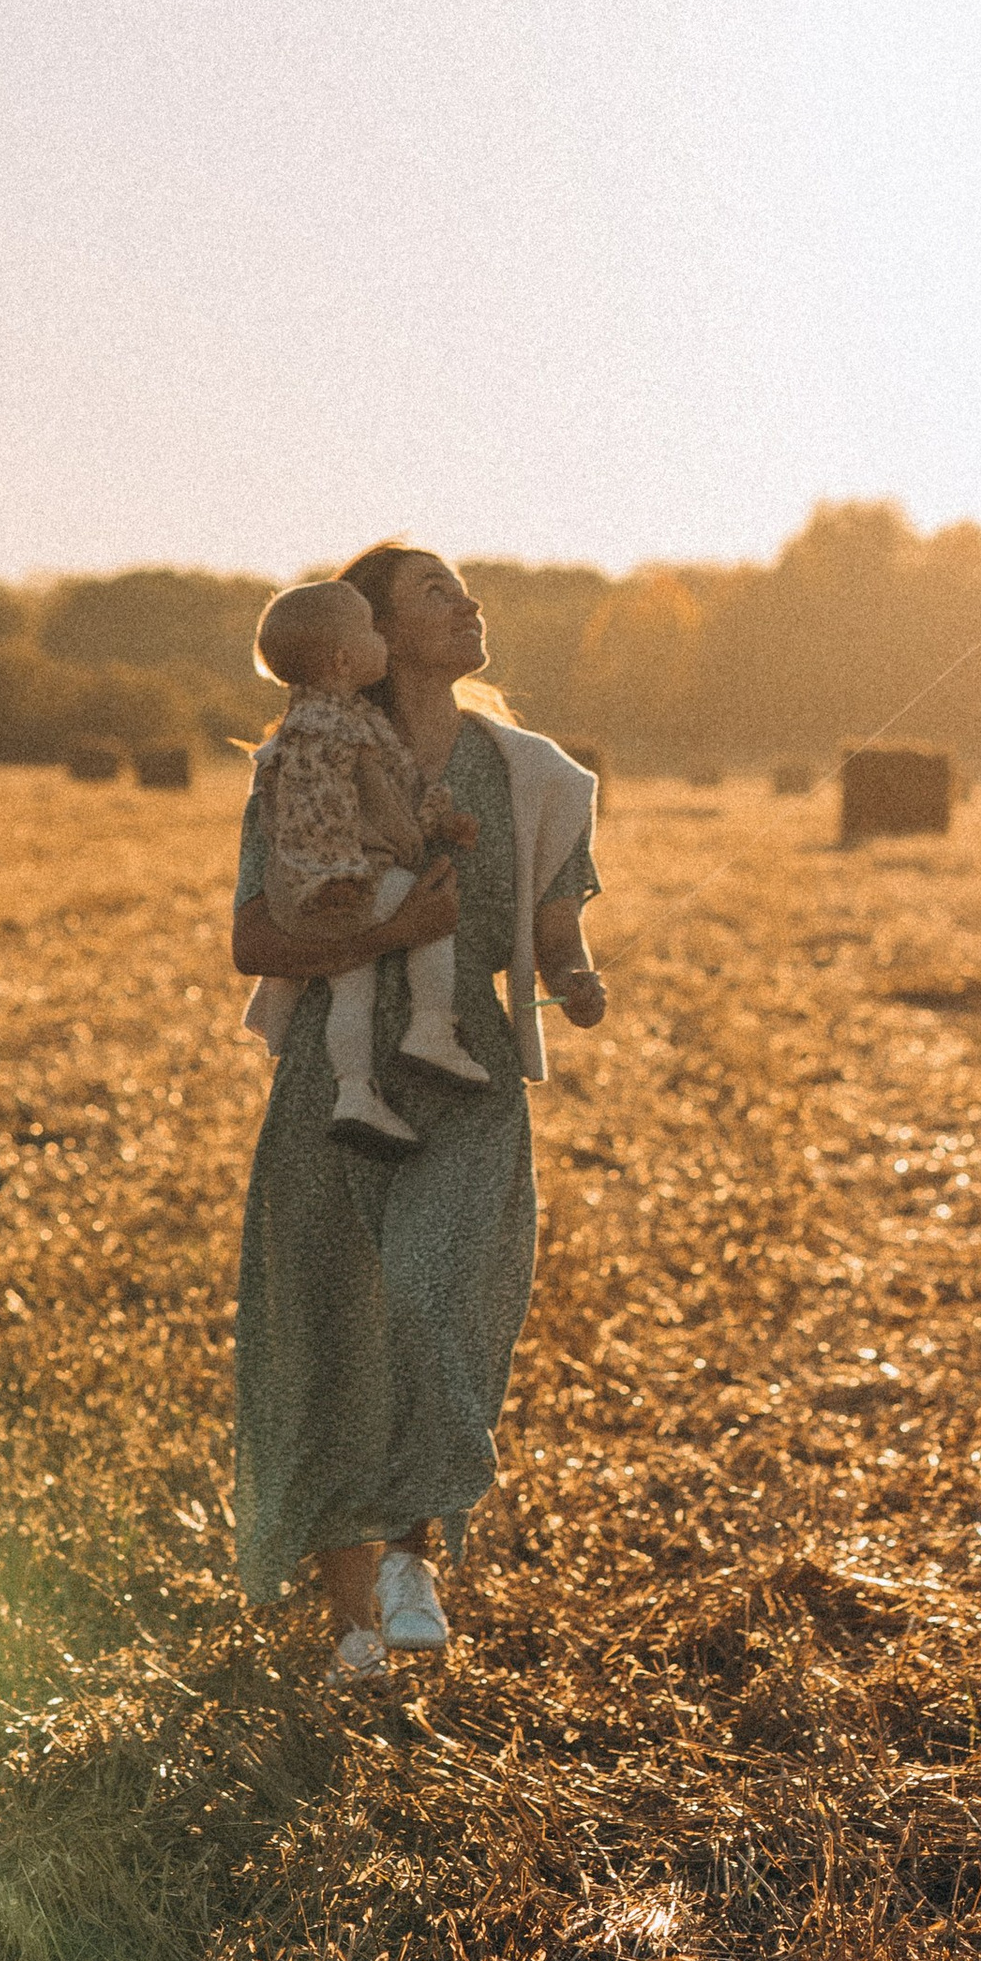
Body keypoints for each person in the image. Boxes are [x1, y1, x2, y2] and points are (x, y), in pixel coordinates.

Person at [228, 543, 606, 1683]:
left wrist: (577, 976)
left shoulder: (532, 774)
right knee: (332, 1332)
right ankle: (356, 1625)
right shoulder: (305, 762)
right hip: (335, 1084)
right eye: (435, 591)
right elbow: (253, 939)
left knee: (433, 1298)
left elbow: (551, 928)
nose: (468, 602)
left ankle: (408, 1551)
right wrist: (382, 938)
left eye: (464, 587)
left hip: (466, 1080)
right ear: (376, 636)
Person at [241, 576, 489, 1155]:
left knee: (352, 991)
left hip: (311, 892)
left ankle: (354, 1092)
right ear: (344, 659)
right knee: (433, 922)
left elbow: (343, 804)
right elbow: (359, 804)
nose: (382, 641)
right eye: (373, 630)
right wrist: (404, 843)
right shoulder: (339, 727)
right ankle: (430, 1029)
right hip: (352, 880)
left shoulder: (299, 732)